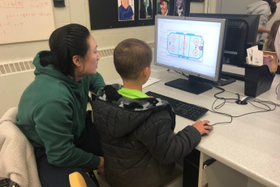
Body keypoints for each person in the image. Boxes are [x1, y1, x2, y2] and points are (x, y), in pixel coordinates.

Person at [92, 38, 213, 187]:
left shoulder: (102, 100)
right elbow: (170, 153)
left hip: (115, 175)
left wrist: (142, 101)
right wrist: (193, 131)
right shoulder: (154, 115)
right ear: (146, 71)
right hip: (146, 181)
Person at [16, 23, 105, 187]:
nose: (99, 56)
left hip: (75, 131)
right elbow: (61, 154)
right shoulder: (54, 100)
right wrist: (99, 162)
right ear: (77, 60)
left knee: (121, 150)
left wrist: (103, 92)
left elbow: (95, 78)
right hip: (49, 150)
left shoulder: (74, 70)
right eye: (94, 52)